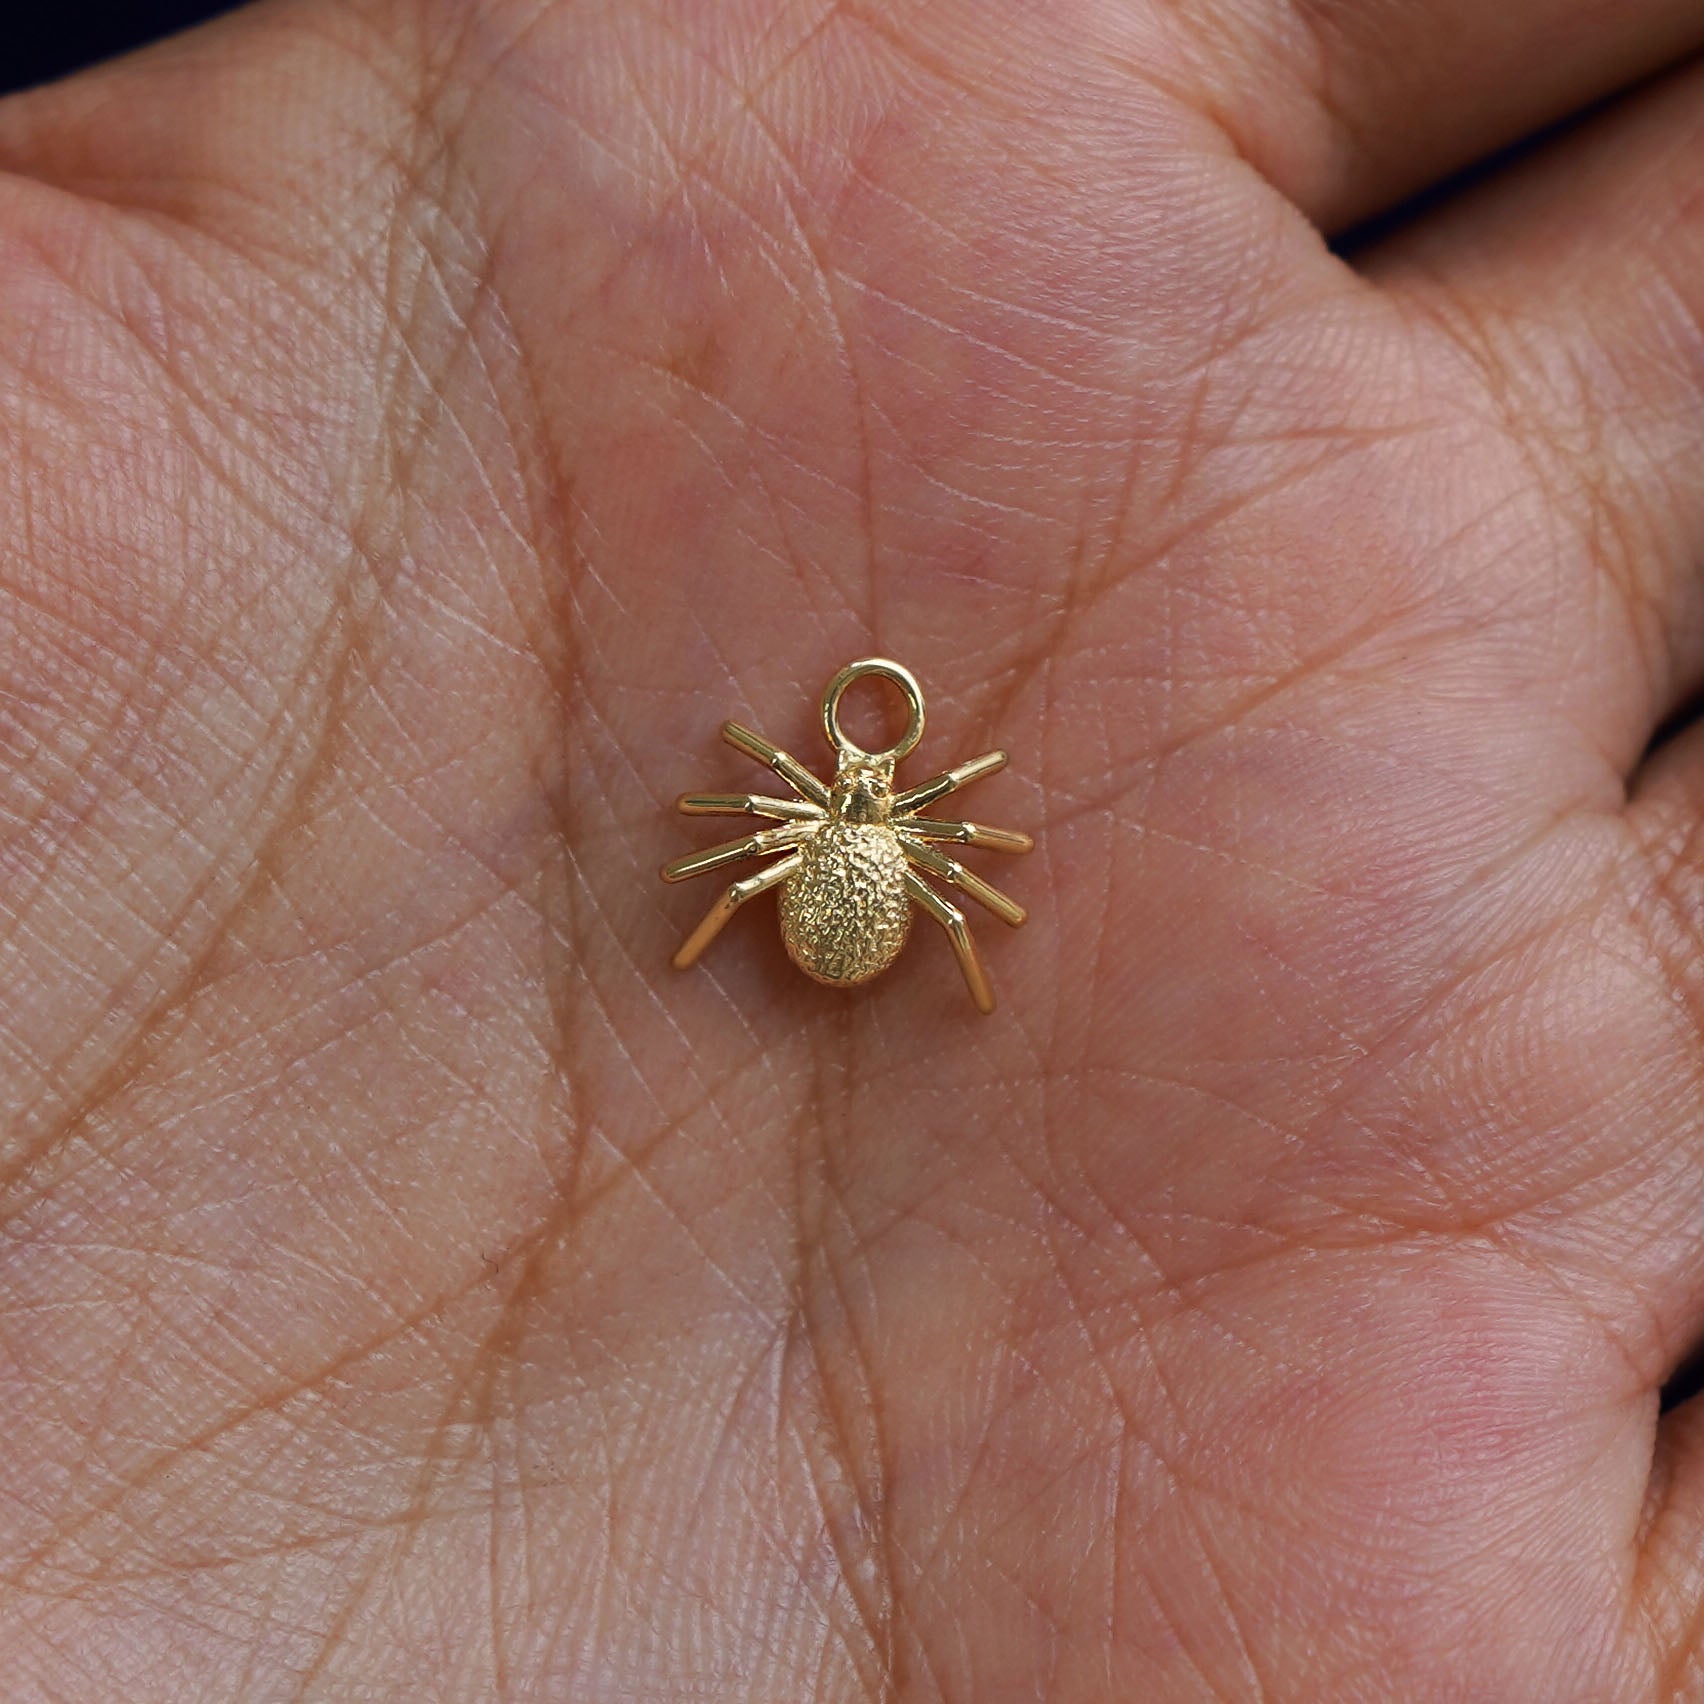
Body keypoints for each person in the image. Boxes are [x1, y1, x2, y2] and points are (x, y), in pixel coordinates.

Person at [0, 0, 1702, 1696]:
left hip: (840, 918)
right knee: (791, 882)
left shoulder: (841, 815)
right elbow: (901, 862)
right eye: (866, 781)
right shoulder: (892, 822)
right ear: (867, 788)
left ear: (864, 789)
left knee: (773, 879)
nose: (874, 789)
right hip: (862, 924)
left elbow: (829, 843)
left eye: (874, 783)